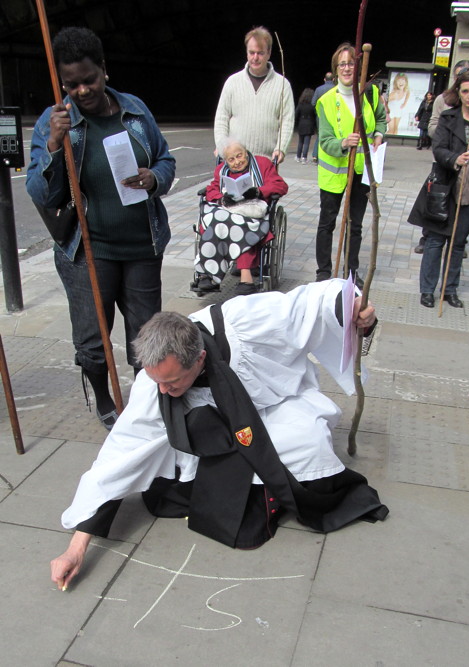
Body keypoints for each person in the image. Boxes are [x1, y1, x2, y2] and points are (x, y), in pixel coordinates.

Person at [49, 280, 388, 590]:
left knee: (308, 445)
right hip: (211, 436)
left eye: (173, 382)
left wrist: (356, 307)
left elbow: (308, 304)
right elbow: (119, 455)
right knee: (188, 474)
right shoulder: (153, 388)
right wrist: (75, 549)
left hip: (274, 407)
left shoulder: (245, 321)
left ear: (199, 359)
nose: (165, 391)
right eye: (158, 382)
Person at [26, 27, 175, 430]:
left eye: (89, 79)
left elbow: (166, 161)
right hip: (87, 250)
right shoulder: (55, 121)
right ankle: (105, 400)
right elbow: (42, 192)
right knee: (93, 343)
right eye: (71, 84)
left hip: (142, 245)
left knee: (147, 340)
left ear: (104, 71)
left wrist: (153, 178)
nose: (82, 90)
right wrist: (56, 145)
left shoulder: (135, 111)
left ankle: (147, 403)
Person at [408, 68, 469, 309]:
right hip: (445, 190)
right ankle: (427, 290)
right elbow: (438, 148)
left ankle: (450, 290)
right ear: (458, 93)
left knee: (458, 244)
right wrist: (455, 159)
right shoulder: (449, 118)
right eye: (466, 91)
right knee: (435, 241)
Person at [315, 42, 386, 287]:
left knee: (355, 223)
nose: (347, 68)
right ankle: (323, 273)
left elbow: (380, 118)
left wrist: (378, 133)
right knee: (328, 222)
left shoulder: (370, 93)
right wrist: (344, 142)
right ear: (336, 69)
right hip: (333, 173)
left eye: (351, 63)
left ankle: (350, 272)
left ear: (358, 66)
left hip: (361, 170)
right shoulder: (325, 101)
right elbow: (324, 140)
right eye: (342, 64)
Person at [192, 140, 288, 295]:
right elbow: (212, 190)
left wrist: (258, 191)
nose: (237, 162)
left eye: (240, 156)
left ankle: (246, 278)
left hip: (251, 213)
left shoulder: (262, 164)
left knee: (238, 225)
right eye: (231, 159)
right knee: (213, 221)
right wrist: (223, 198)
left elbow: (280, 186)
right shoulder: (221, 171)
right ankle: (207, 275)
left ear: (246, 152)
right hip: (227, 211)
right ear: (226, 161)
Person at [213, 26, 295, 164]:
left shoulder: (282, 85)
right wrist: (222, 146)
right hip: (235, 162)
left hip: (266, 163)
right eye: (251, 52)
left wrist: (281, 149)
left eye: (260, 53)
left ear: (269, 53)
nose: (255, 58)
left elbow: (287, 121)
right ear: (246, 53)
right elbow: (221, 118)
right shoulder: (232, 82)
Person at [427, 60, 469, 139]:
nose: (462, 79)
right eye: (458, 75)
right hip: (448, 148)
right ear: (454, 77)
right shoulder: (442, 99)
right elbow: (431, 130)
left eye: (466, 76)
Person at [311, 72, 335, 163]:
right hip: (333, 115)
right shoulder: (336, 89)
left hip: (320, 116)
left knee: (320, 135)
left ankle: (315, 155)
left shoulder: (318, 89)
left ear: (324, 79)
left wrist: (319, 111)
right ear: (333, 79)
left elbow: (313, 102)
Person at [295, 88, 317, 163]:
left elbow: (296, 114)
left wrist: (297, 123)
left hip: (301, 123)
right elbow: (315, 115)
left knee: (300, 142)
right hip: (309, 124)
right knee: (307, 142)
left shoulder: (300, 105)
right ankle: (304, 157)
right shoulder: (312, 105)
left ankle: (298, 156)